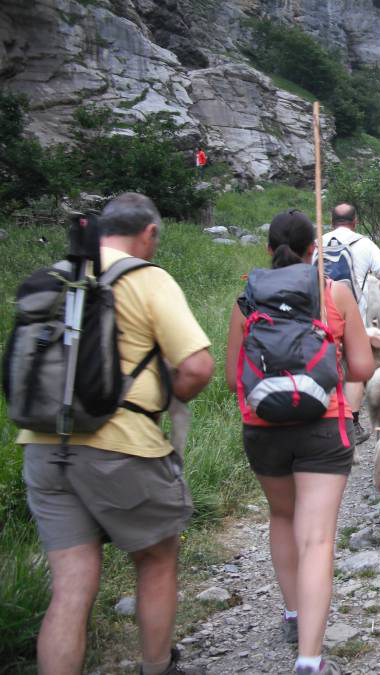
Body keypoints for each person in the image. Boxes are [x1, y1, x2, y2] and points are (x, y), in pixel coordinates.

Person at [18, 192, 215, 675]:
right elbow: (197, 367)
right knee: (154, 560)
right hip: (122, 446)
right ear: (148, 233)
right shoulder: (146, 278)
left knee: (70, 589)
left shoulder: (59, 274)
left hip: (45, 448)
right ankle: (156, 667)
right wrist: (166, 394)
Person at [225, 210, 375, 675]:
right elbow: (363, 368)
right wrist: (342, 395)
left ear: (268, 248)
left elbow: (235, 375)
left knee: (282, 515)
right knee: (316, 538)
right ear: (316, 249)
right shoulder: (334, 292)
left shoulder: (247, 299)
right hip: (322, 427)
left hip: (263, 428)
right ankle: (309, 659)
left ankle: (291, 612)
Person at [322, 203, 380, 442]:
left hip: (320, 315)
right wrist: (376, 300)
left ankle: (323, 415)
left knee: (323, 361)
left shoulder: (318, 242)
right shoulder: (364, 243)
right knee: (353, 368)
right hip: (355, 313)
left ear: (331, 221)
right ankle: (352, 423)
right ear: (355, 221)